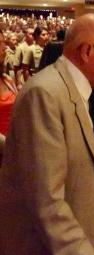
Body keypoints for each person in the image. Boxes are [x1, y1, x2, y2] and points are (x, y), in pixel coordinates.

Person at [0, 13, 94, 255]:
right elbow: (44, 194)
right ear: (87, 51)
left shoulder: (82, 89)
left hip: (75, 230)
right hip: (46, 254)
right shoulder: (44, 93)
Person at [0, 30, 18, 165]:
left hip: (13, 152)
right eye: (0, 43)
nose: (4, 47)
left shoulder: (6, 79)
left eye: (4, 42)